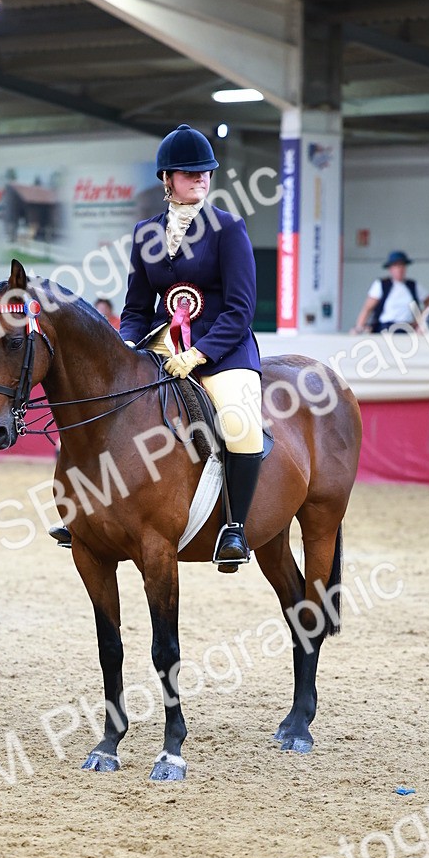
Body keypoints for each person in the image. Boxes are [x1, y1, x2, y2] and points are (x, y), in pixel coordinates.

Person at [49, 124, 262, 569]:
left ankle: (235, 528)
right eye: (189, 172)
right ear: (167, 179)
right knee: (99, 409)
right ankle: (84, 513)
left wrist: (200, 353)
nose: (200, 178)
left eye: (205, 171)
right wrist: (126, 345)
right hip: (161, 347)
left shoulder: (228, 228)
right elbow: (136, 307)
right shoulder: (146, 233)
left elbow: (241, 308)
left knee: (238, 423)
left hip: (223, 350)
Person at [352, 250, 429, 334]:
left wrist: (420, 321)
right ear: (390, 268)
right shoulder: (382, 284)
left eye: (402, 265)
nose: (399, 269)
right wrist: (359, 327)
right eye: (396, 266)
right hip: (385, 328)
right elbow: (367, 308)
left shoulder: (413, 286)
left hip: (407, 328)